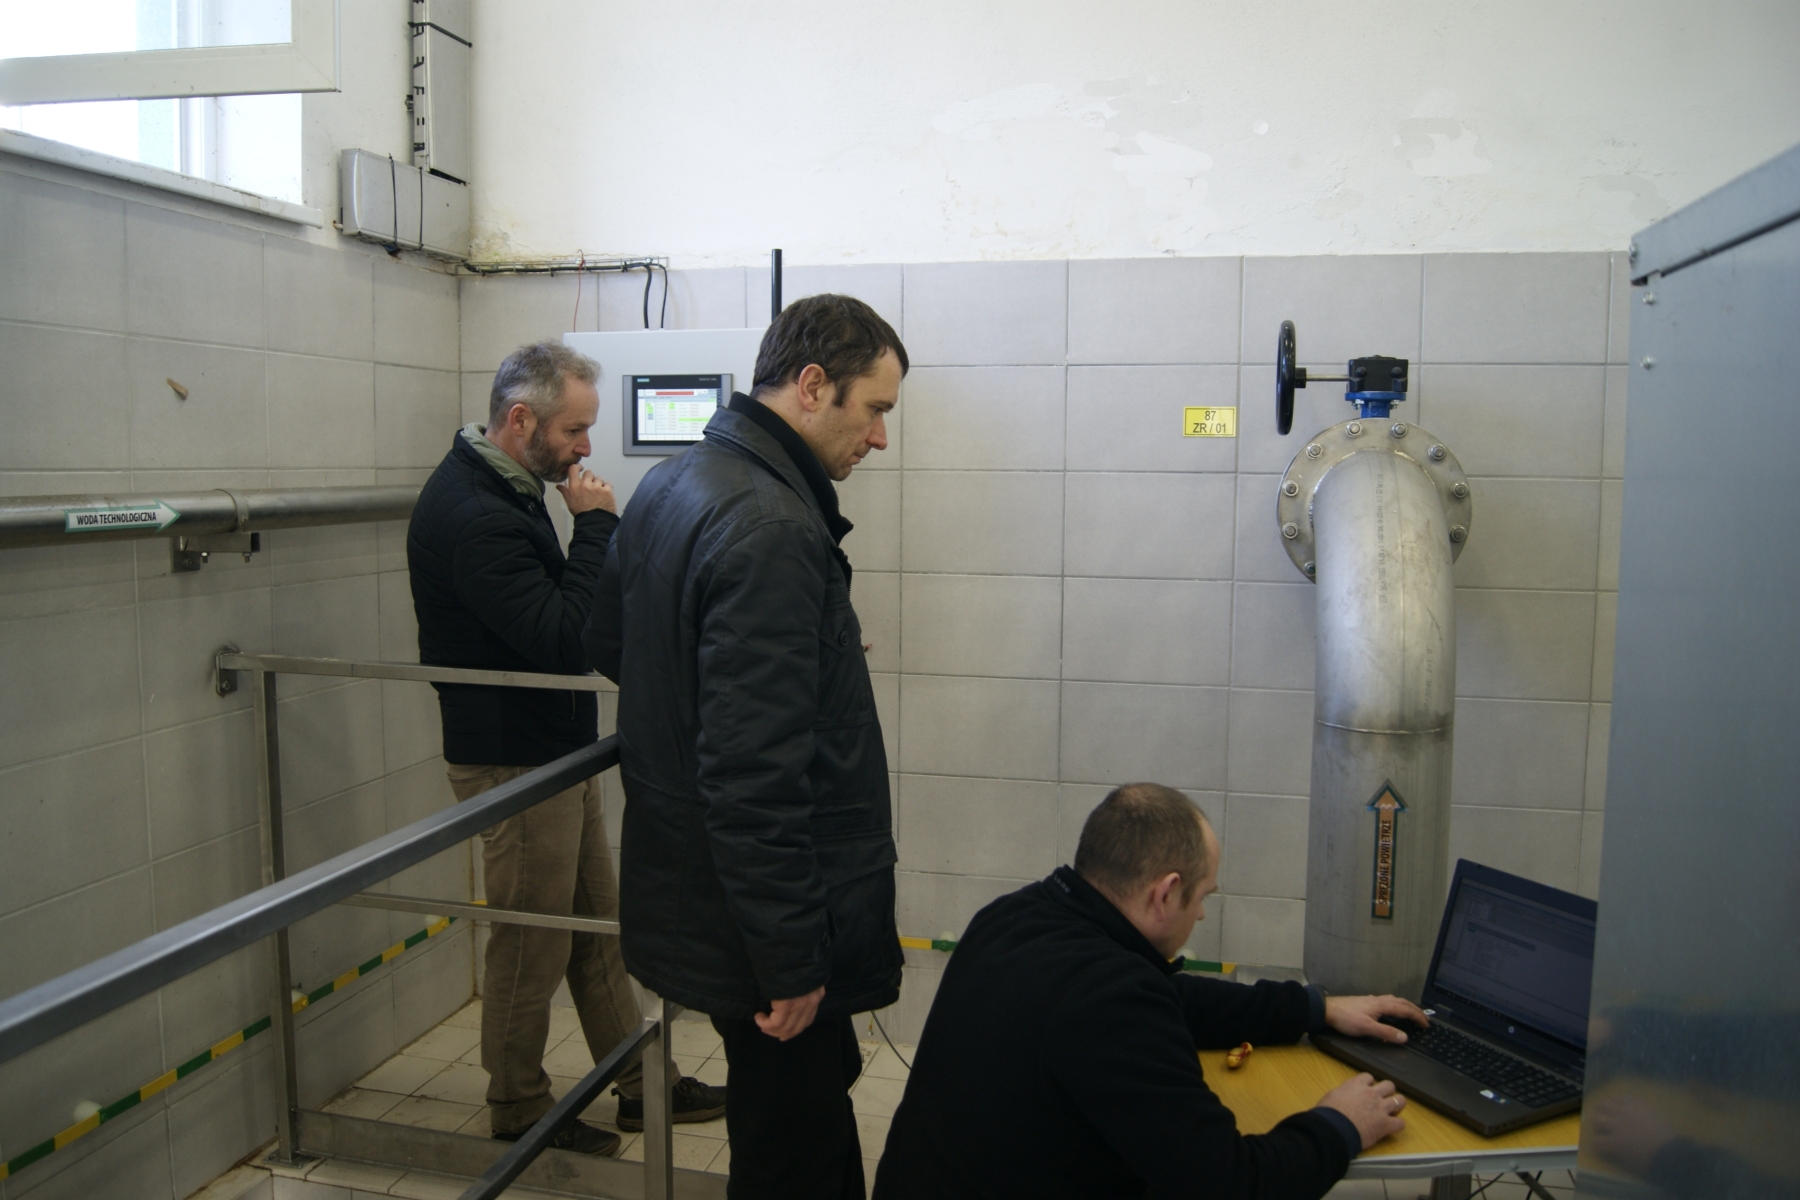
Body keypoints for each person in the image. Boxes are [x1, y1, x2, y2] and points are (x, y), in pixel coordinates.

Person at [583, 294, 906, 1199]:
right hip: (755, 924)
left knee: (793, 1126)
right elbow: (752, 774)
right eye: (873, 409)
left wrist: (805, 659)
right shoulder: (772, 526)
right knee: (794, 1154)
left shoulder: (674, 481)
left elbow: (614, 643)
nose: (879, 438)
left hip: (699, 887)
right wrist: (792, 958)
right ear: (813, 384)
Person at [408, 340, 724, 1156]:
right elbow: (562, 639)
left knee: (594, 929)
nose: (584, 447)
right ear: (521, 420)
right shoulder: (476, 514)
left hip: (549, 751)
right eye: (574, 430)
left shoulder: (504, 488)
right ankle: (518, 1109)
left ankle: (642, 1085)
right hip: (512, 759)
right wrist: (595, 527)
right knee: (532, 941)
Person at [874, 783, 1427, 1200]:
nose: (1202, 913)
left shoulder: (1016, 918)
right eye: (1203, 897)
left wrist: (1314, 1007)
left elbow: (1171, 999)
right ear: (1165, 894)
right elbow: (1231, 1183)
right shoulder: (1111, 1000)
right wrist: (1339, 1123)